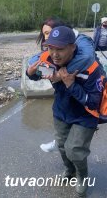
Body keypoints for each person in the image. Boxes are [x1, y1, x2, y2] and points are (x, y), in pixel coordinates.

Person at [27, 26, 104, 196]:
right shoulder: (50, 60)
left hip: (85, 116)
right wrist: (30, 73)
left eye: (60, 49)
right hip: (61, 113)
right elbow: (37, 73)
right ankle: (69, 171)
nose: (54, 53)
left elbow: (93, 102)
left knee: (74, 150)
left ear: (73, 47)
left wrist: (71, 84)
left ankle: (82, 176)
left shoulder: (90, 67)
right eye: (51, 47)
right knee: (62, 146)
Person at [28, 17, 96, 152]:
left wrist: (59, 75)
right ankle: (59, 143)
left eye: (48, 33)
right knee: (63, 142)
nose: (46, 38)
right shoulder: (51, 50)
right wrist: (30, 72)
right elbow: (34, 62)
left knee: (75, 150)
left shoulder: (81, 42)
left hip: (83, 108)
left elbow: (88, 58)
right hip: (62, 104)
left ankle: (80, 171)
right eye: (44, 34)